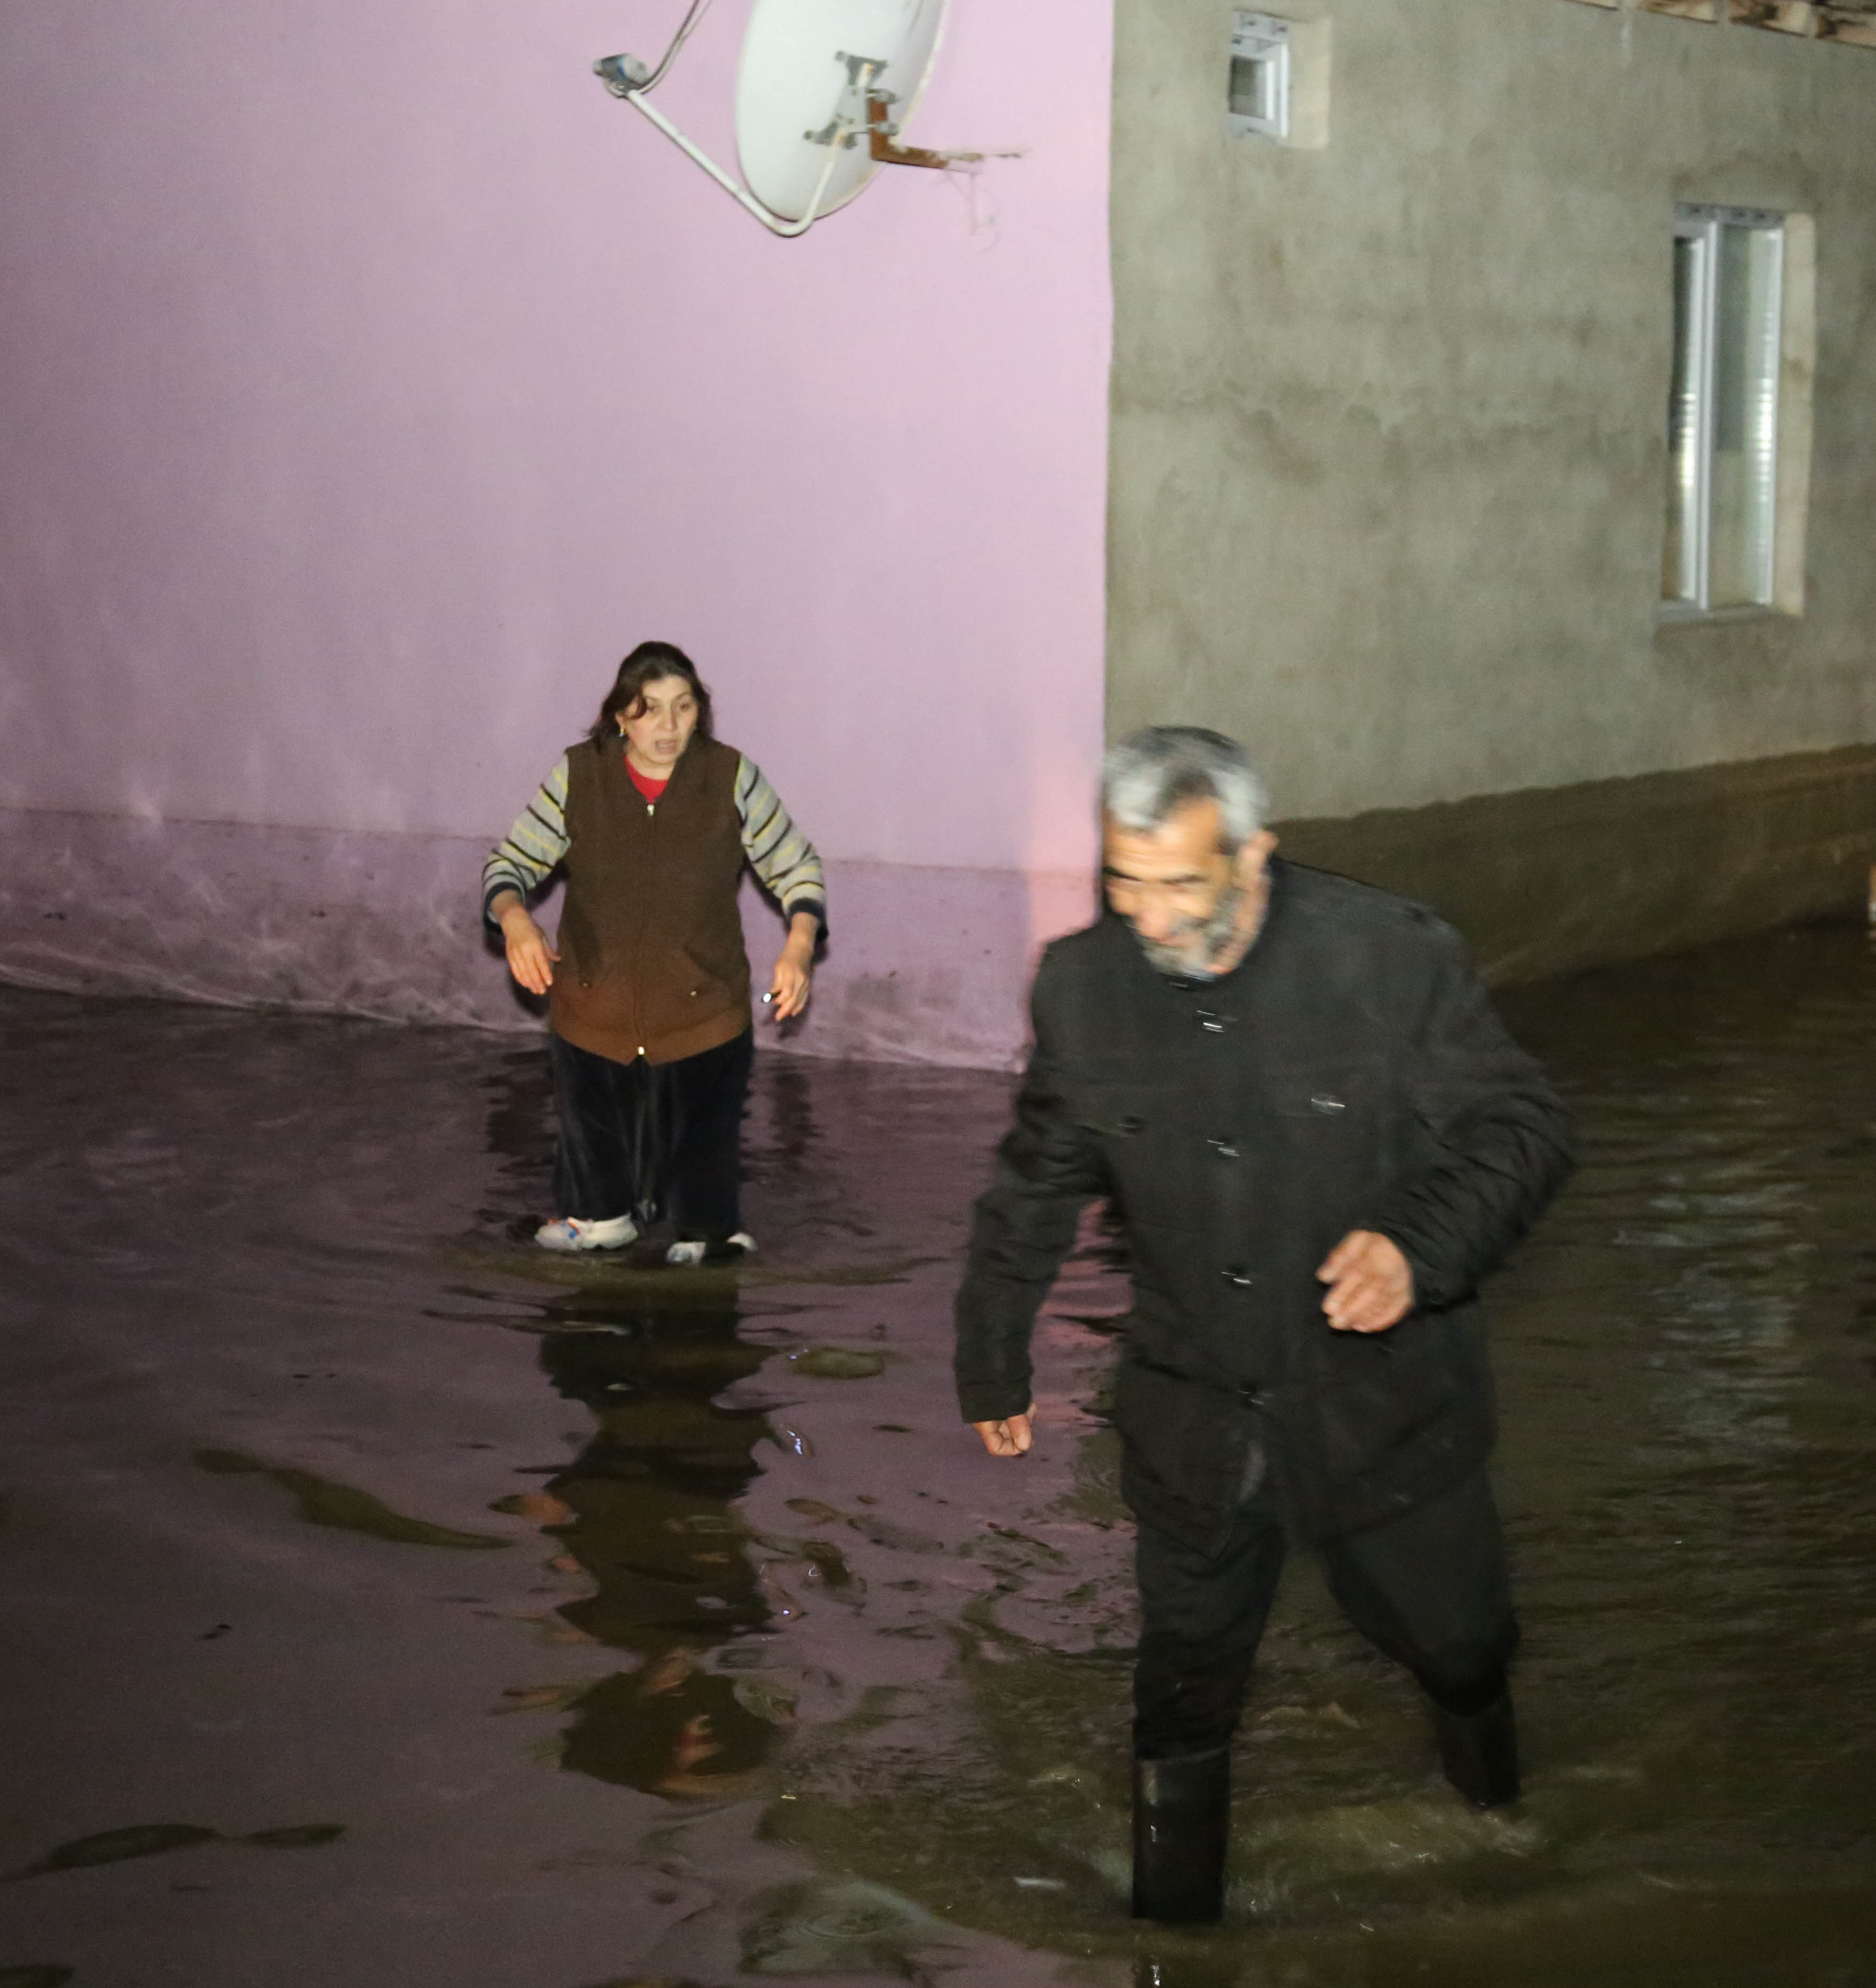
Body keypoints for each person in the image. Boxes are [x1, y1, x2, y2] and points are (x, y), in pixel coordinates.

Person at [952, 726, 1572, 1925]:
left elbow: (1525, 1130)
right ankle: (1171, 1939)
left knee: (1457, 1649)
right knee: (1181, 1692)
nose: (1150, 917)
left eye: (1182, 883)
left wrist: (1416, 1246)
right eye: (1124, 881)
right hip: (1195, 1415)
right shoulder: (1085, 985)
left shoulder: (1387, 961)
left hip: (1385, 1409)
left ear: (1256, 857)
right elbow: (1035, 1177)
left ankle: (1506, 1847)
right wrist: (992, 1355)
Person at [482, 641, 826, 1261]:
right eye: (649, 710)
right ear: (620, 716)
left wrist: (799, 944)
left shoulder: (730, 777)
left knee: (701, 1164)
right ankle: (600, 1217)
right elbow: (511, 864)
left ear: (701, 713)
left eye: (684, 708)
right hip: (594, 1004)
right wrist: (515, 922)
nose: (668, 727)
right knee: (593, 1137)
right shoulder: (578, 775)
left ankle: (709, 1235)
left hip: (702, 1008)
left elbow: (794, 864)